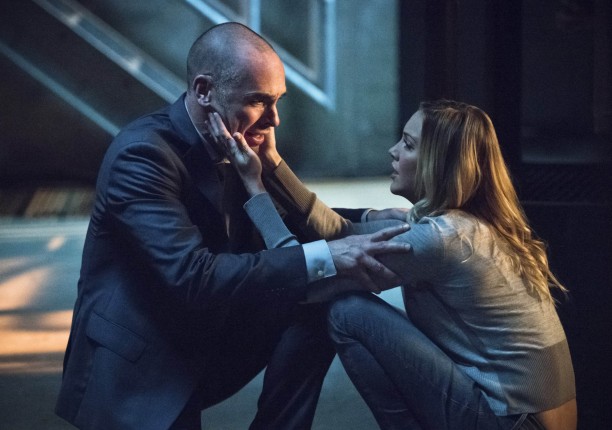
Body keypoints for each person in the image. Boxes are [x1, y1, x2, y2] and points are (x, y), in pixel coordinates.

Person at [55, 22, 411, 430]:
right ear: (204, 91)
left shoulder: (234, 139)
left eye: (277, 101)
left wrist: (362, 218)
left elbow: (282, 220)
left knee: (325, 296)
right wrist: (329, 257)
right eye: (259, 101)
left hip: (209, 331)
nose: (274, 119)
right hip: (142, 361)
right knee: (316, 271)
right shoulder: (142, 156)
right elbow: (193, 277)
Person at [210, 100, 577, 430]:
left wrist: (254, 187)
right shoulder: (464, 225)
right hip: (529, 416)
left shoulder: (443, 239)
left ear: (439, 164)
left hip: (517, 422)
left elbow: (302, 279)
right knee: (337, 293)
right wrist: (272, 162)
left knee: (345, 310)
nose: (393, 150)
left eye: (409, 144)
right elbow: (342, 232)